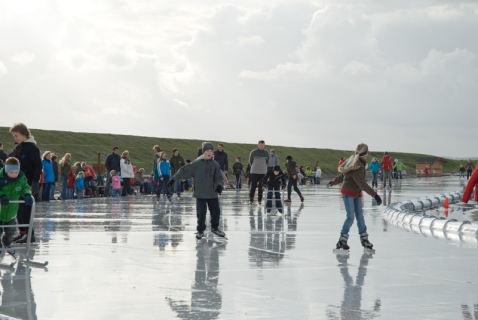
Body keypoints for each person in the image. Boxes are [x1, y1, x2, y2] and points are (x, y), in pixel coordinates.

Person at [327, 143, 382, 251]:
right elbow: (361, 183)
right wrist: (374, 194)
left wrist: (333, 181)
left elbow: (344, 175)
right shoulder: (357, 165)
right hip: (348, 193)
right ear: (364, 154)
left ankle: (364, 238)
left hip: (356, 194)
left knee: (360, 217)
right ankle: (342, 240)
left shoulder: (356, 162)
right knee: (350, 217)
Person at [168, 142, 225, 239]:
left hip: (212, 193)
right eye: (207, 151)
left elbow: (219, 178)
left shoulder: (215, 164)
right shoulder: (196, 164)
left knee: (216, 212)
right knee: (201, 213)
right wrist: (173, 179)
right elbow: (184, 171)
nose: (209, 153)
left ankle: (215, 228)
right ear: (203, 152)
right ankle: (200, 230)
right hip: (200, 193)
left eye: (211, 151)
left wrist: (219, 186)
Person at [10, 123, 42, 243]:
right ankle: (22, 232)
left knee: (25, 209)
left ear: (23, 134)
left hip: (28, 183)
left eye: (16, 135)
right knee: (18, 209)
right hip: (17, 183)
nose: (15, 138)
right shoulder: (19, 148)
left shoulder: (32, 148)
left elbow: (38, 166)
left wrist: (35, 182)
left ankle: (30, 234)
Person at [0, 157, 34, 252]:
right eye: (11, 172)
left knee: (11, 231)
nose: (14, 175)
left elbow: (25, 187)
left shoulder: (21, 179)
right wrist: (2, 196)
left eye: (16, 172)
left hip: (11, 210)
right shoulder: (1, 178)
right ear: (6, 171)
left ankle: (7, 242)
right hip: (0, 209)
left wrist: (27, 194)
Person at [248, 140, 269, 205]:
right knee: (253, 185)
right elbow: (250, 161)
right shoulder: (253, 152)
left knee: (261, 186)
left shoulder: (266, 153)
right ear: (258, 145)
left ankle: (260, 199)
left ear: (264, 145)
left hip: (263, 172)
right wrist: (254, 166)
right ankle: (251, 199)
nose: (261, 147)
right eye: (260, 145)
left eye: (262, 145)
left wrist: (263, 167)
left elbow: (267, 162)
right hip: (254, 171)